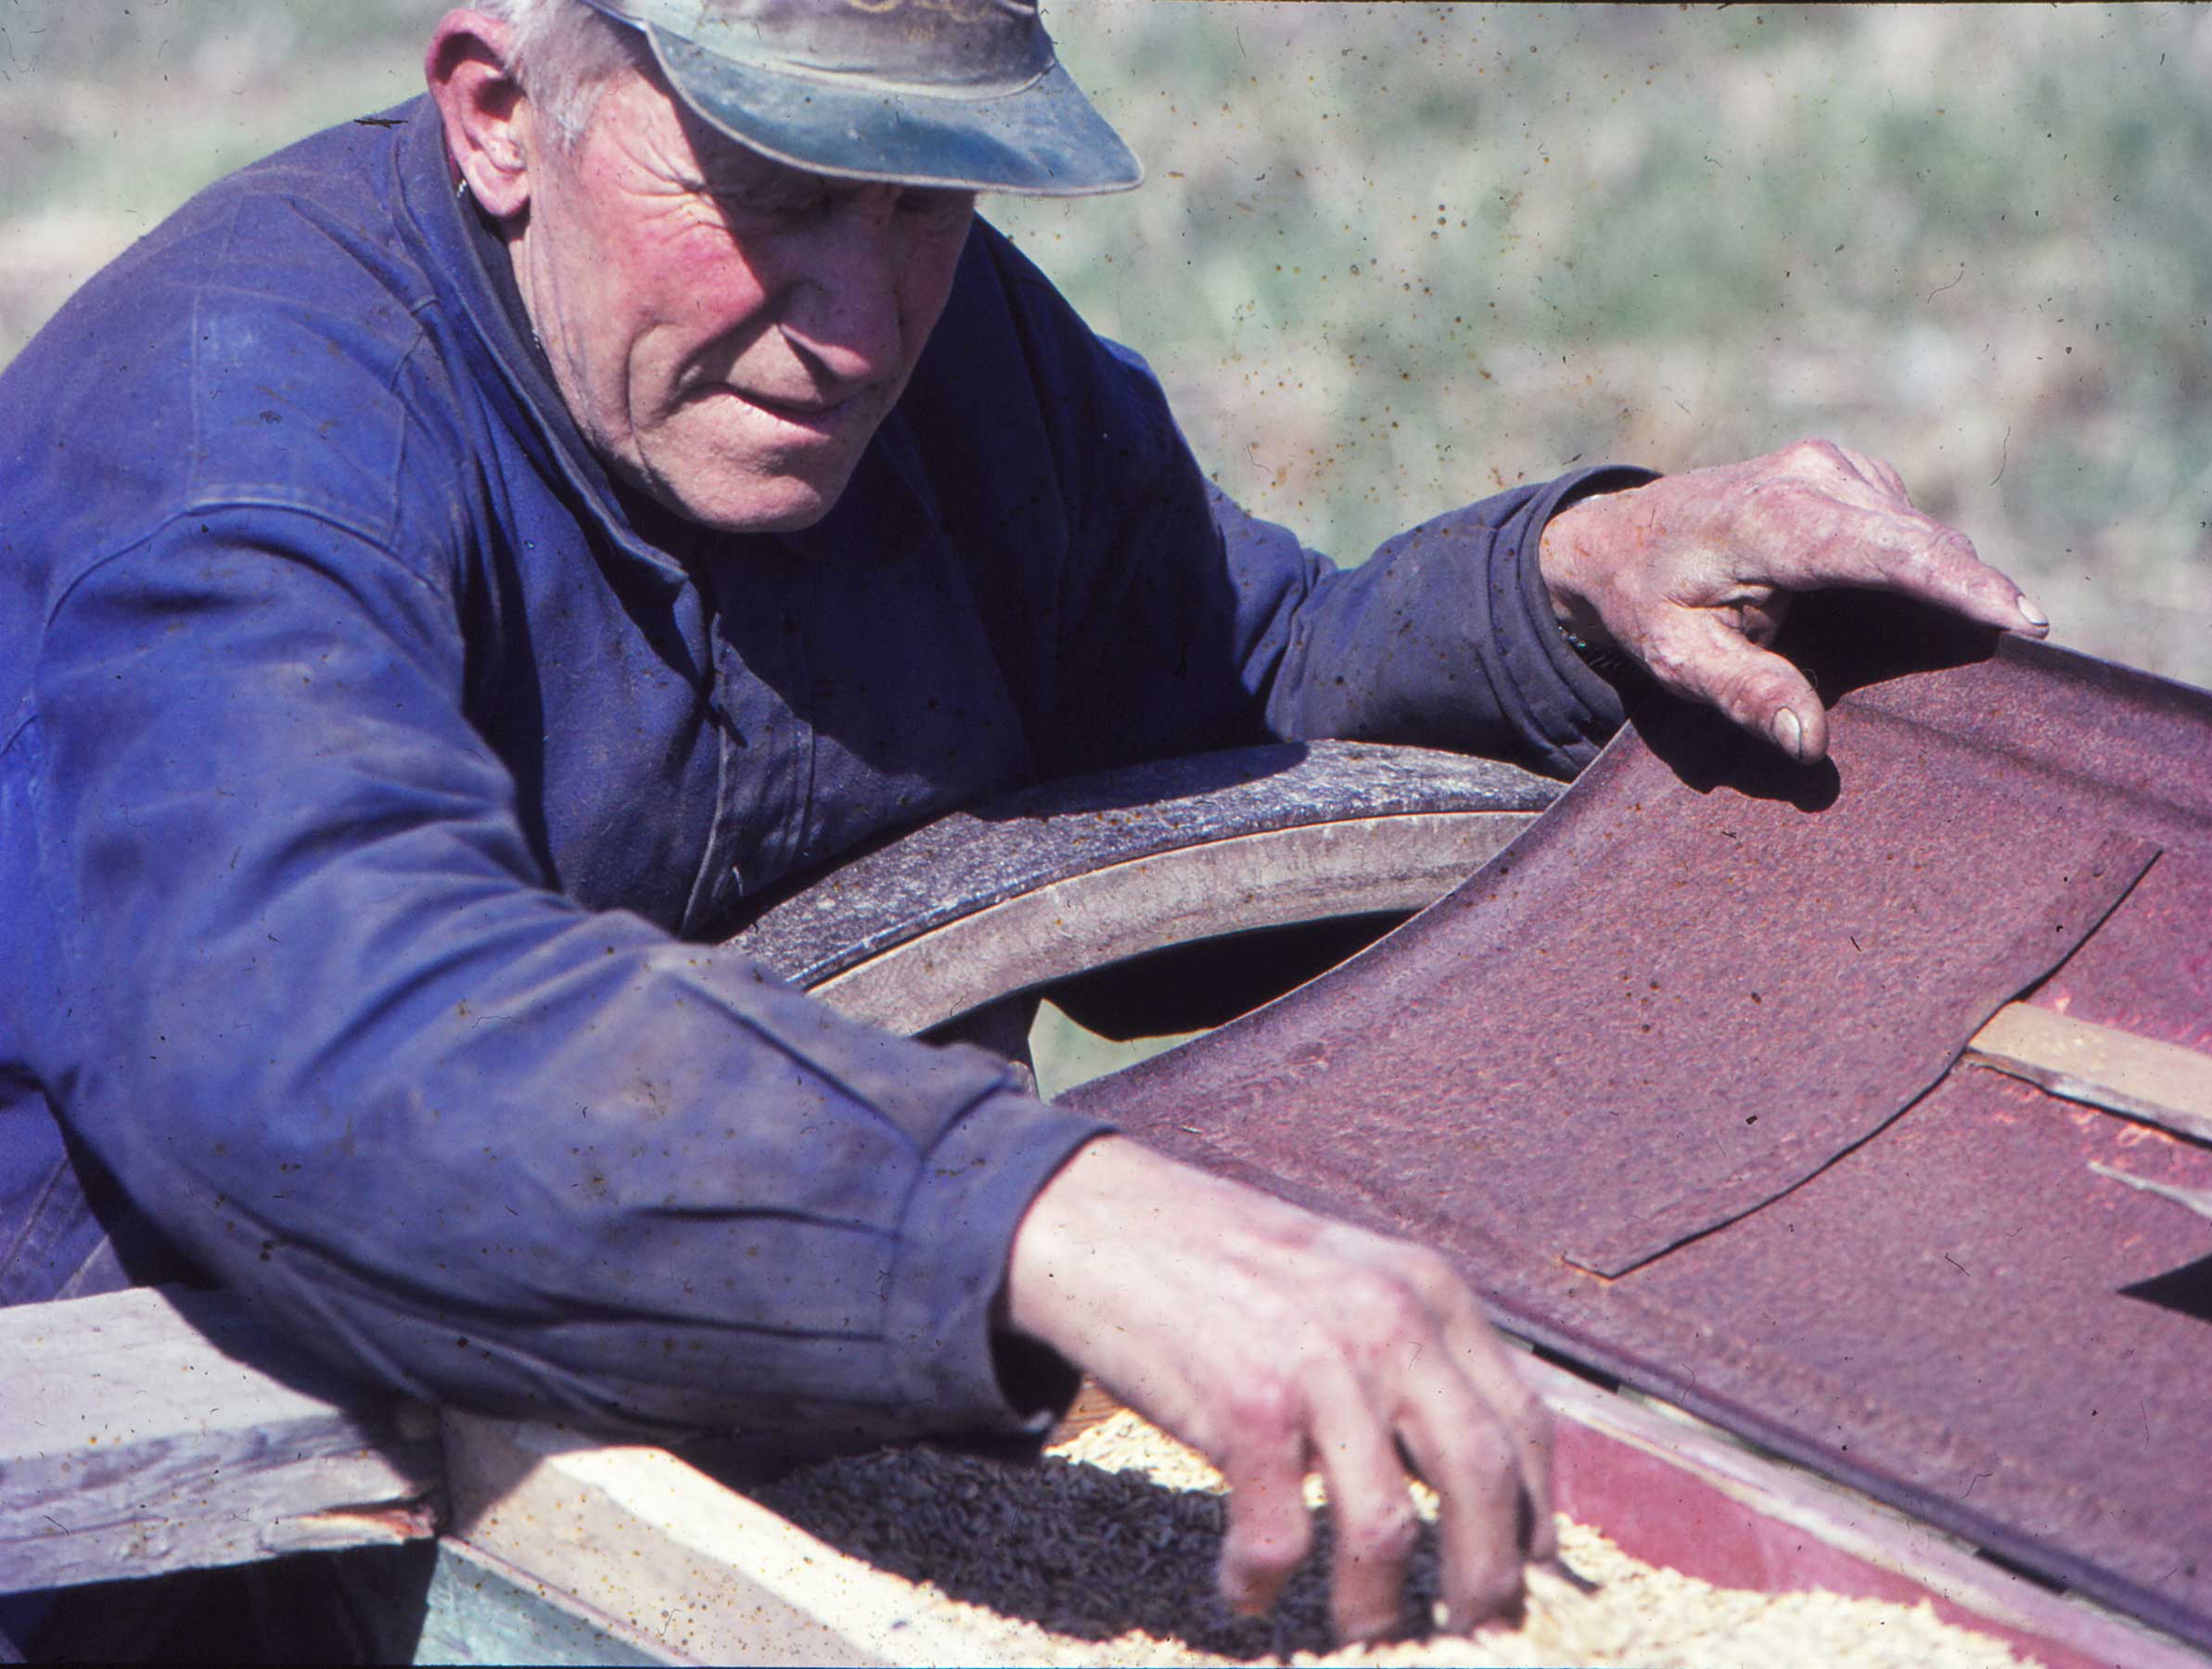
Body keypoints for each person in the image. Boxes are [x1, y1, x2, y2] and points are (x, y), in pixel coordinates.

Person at [0, 0, 2048, 1650]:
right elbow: (310, 1025)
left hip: (701, 1424)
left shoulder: (959, 371)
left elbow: (1226, 711)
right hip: (154, 1543)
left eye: (925, 203)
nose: (860, 325)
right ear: (496, 116)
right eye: (775, 192)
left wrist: (1556, 593)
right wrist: (1027, 1216)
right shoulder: (235, 424)